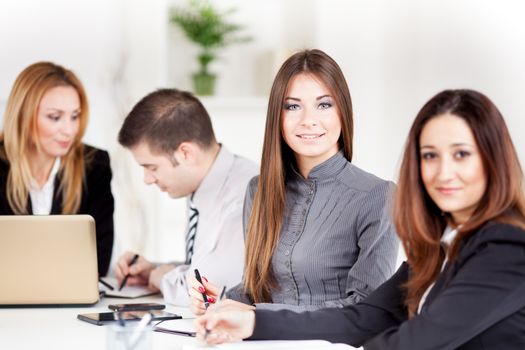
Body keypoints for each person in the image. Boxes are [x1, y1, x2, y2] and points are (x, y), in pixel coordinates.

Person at [195, 89, 525, 349]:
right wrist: (254, 324)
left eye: (461, 154)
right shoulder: (440, 246)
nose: (444, 172)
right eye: (430, 156)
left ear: (493, 160)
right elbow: (364, 317)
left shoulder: (507, 246)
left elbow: (418, 342)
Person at [189, 49, 399, 314]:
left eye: (324, 105)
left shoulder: (378, 196)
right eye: (292, 106)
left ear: (343, 111)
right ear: (278, 116)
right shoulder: (259, 190)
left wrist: (259, 316)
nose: (308, 120)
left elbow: (367, 309)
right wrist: (220, 301)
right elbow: (258, 290)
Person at [114, 88, 258, 305]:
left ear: (186, 153)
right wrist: (154, 269)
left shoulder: (244, 197)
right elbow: (206, 263)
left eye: (151, 167)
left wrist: (161, 277)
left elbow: (208, 292)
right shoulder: (203, 184)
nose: (147, 179)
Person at [0, 61, 114, 276]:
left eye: (75, 116)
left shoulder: (94, 165)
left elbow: (100, 259)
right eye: (55, 117)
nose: (69, 130)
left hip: (69, 302)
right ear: (23, 115)